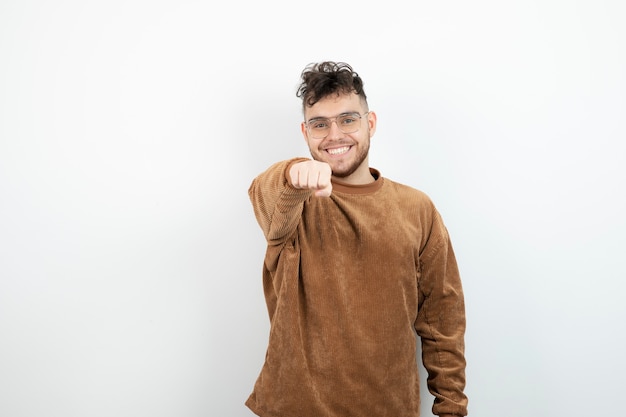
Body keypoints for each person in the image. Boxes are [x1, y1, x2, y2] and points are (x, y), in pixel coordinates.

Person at [246, 61, 468, 417]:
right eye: (320, 124)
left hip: (390, 407)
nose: (334, 135)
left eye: (348, 119)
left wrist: (452, 407)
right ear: (305, 133)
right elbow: (264, 193)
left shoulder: (417, 208)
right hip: (295, 408)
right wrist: (291, 173)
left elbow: (442, 318)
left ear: (370, 123)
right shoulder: (292, 202)